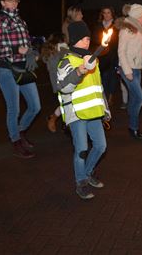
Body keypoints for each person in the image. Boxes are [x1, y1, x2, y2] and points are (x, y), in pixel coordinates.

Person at [57, 21, 108, 199]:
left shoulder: (94, 61)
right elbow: (63, 88)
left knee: (101, 146)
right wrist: (79, 71)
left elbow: (98, 87)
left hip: (94, 111)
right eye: (84, 39)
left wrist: (105, 109)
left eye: (88, 38)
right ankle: (81, 182)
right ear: (75, 40)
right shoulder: (66, 61)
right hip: (76, 113)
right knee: (81, 150)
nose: (87, 42)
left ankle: (87, 173)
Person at [0, 0, 40, 159]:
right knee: (14, 108)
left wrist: (32, 53)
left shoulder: (21, 21)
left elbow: (27, 43)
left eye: (16, 0)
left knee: (35, 106)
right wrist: (16, 49)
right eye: (10, 0)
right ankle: (16, 140)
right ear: (2, 2)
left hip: (23, 67)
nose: (14, 3)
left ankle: (20, 131)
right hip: (7, 69)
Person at [116, 4, 142, 140]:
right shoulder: (126, 30)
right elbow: (121, 52)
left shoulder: (138, 30)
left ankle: (132, 127)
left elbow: (140, 52)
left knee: (134, 99)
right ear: (138, 16)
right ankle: (134, 127)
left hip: (137, 69)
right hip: (128, 69)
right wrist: (126, 71)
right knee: (139, 98)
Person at [40, 33, 68, 133]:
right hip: (62, 83)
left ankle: (54, 118)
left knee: (66, 103)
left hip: (59, 84)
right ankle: (54, 118)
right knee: (66, 103)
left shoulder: (50, 54)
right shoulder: (57, 54)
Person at [94, 7, 119, 105]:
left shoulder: (116, 26)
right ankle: (104, 96)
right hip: (102, 56)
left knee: (112, 76)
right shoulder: (98, 26)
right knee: (103, 76)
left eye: (109, 13)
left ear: (112, 14)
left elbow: (118, 42)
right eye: (105, 13)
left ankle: (111, 97)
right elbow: (94, 39)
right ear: (102, 14)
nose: (107, 15)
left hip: (113, 55)